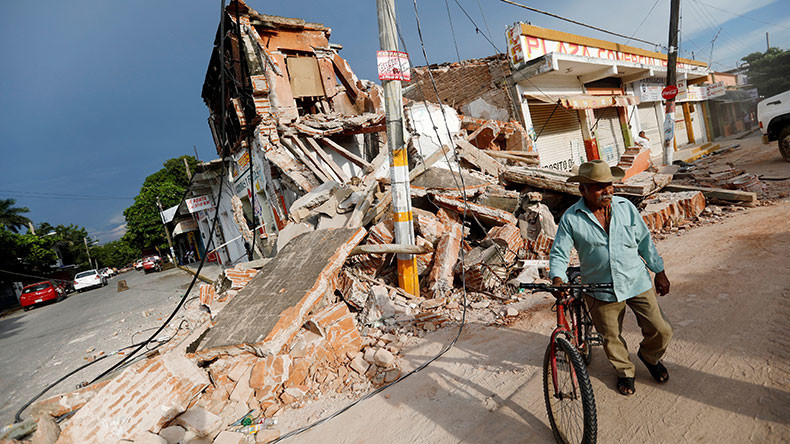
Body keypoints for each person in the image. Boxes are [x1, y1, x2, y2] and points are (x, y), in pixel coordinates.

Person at [549, 160, 673, 396]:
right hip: (599, 287)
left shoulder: (626, 207)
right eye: (598, 187)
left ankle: (649, 356)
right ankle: (625, 372)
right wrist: (557, 278)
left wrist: (659, 271)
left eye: (608, 185)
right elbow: (559, 252)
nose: (606, 191)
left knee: (661, 329)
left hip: (635, 280)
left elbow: (644, 241)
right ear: (582, 190)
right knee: (611, 337)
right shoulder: (571, 218)